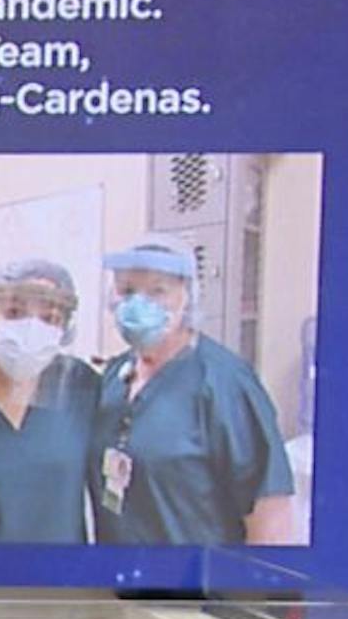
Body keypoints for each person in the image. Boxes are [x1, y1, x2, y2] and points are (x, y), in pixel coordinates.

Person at [89, 233, 296, 545]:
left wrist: (259, 589)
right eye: (127, 291)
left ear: (187, 297)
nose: (138, 304)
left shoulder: (224, 382)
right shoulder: (115, 376)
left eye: (158, 291)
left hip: (199, 586)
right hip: (119, 580)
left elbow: (269, 512)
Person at [0, 259, 101, 542]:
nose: (31, 330)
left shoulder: (80, 385)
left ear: (65, 328)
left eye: (49, 318)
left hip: (65, 577)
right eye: (14, 312)